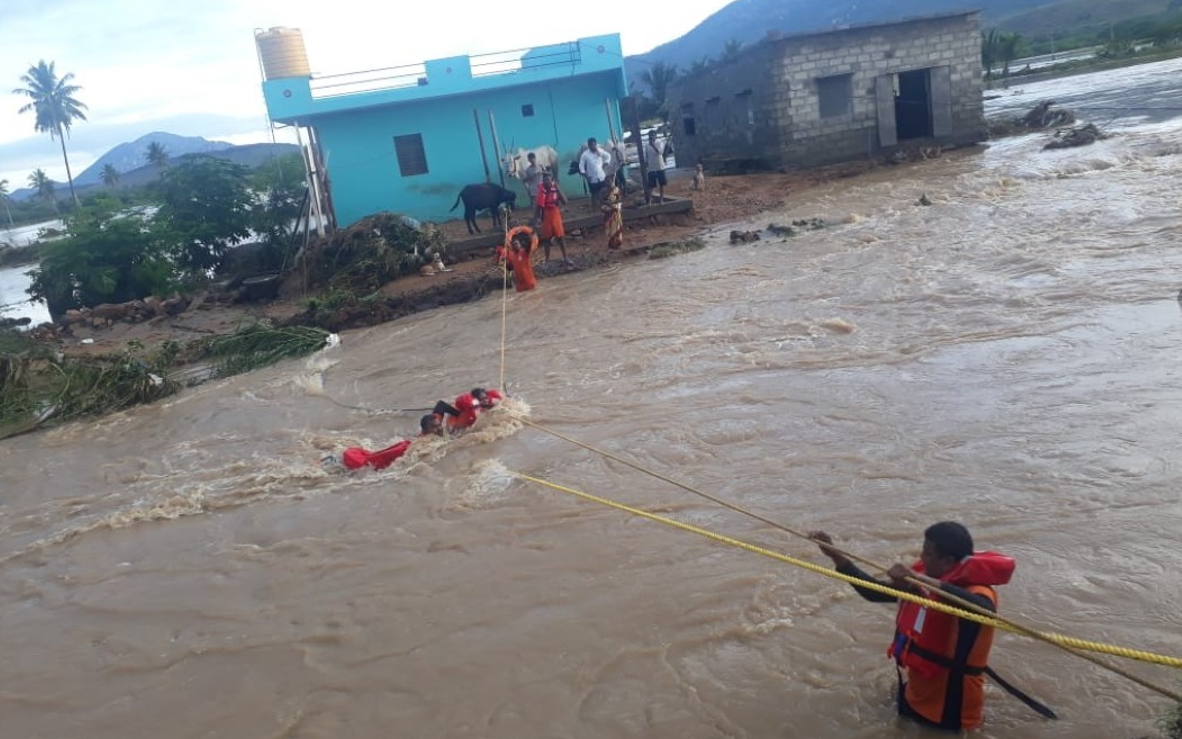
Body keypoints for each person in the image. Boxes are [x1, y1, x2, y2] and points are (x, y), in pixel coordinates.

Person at [810, 523, 1015, 732]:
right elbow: (873, 592)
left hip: (949, 715)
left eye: (927, 553)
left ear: (948, 561)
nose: (921, 557)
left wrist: (921, 580)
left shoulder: (978, 593)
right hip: (914, 695)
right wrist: (836, 556)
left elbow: (984, 610)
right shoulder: (927, 581)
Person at [339, 414, 444, 471]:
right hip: (364, 464)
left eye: (439, 425)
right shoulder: (418, 445)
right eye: (434, 427)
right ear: (424, 430)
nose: (439, 429)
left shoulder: (424, 440)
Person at [432, 387, 505, 432]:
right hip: (460, 417)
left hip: (469, 419)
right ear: (477, 400)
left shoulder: (490, 401)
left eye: (486, 398)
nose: (485, 401)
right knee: (441, 405)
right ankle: (434, 426)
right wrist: (479, 405)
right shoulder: (471, 403)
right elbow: (463, 403)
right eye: (482, 399)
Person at [534, 171, 570, 265]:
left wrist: (557, 187)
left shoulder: (556, 189)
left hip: (555, 214)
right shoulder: (541, 192)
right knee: (546, 239)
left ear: (552, 181)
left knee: (560, 237)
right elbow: (538, 207)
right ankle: (547, 260)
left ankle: (565, 257)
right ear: (543, 181)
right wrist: (537, 219)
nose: (547, 182)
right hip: (545, 215)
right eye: (545, 180)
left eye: (549, 180)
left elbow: (565, 202)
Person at [497, 227, 539, 292]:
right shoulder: (511, 254)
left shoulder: (525, 252)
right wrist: (506, 263)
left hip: (529, 282)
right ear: (512, 246)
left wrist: (531, 235)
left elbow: (530, 244)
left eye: (516, 244)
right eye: (513, 244)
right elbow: (510, 267)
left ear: (520, 245)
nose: (515, 245)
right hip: (520, 285)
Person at [578, 137, 612, 206]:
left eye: (594, 144)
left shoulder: (600, 151)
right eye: (591, 145)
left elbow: (608, 156)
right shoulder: (585, 154)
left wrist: (606, 163)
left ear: (596, 144)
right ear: (589, 145)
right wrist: (586, 176)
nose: (593, 146)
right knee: (594, 194)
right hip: (592, 178)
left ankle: (604, 206)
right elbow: (581, 166)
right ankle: (595, 209)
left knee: (605, 192)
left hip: (601, 176)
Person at [646, 129, 673, 204]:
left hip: (660, 166)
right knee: (651, 185)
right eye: (650, 135)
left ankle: (661, 199)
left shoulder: (659, 142)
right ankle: (650, 201)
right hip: (651, 168)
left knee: (661, 184)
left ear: (655, 136)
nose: (651, 137)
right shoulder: (646, 145)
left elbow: (660, 152)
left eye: (652, 135)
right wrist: (646, 165)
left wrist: (653, 145)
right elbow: (646, 157)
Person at [600, 181, 623, 250]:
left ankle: (618, 243)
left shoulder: (616, 189)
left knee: (617, 228)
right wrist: (609, 204)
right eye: (608, 181)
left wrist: (615, 204)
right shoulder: (603, 190)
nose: (610, 183)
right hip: (608, 211)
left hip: (616, 210)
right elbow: (601, 201)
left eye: (611, 182)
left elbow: (619, 199)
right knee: (610, 228)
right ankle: (612, 243)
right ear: (605, 183)